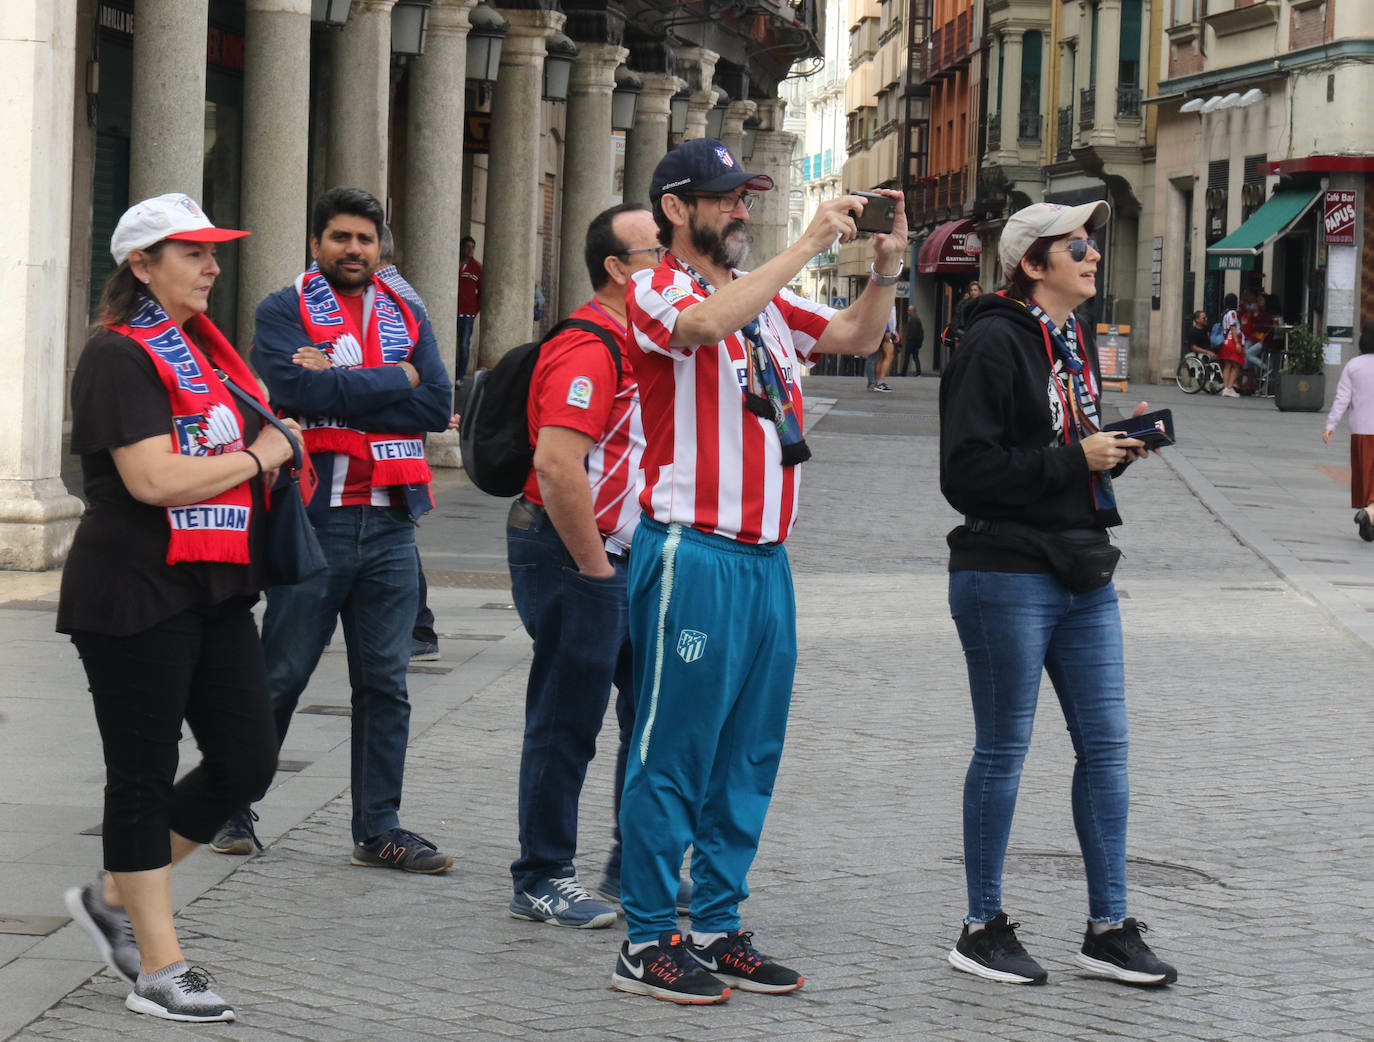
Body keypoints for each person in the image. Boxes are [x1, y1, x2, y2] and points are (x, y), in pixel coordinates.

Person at [611, 137, 908, 1004]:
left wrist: (884, 272)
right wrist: (811, 244)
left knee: (747, 755)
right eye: (726, 198)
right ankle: (644, 938)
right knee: (671, 752)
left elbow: (854, 334)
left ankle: (713, 922)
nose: (741, 210)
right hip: (692, 552)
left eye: (747, 197)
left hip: (766, 560)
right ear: (676, 208)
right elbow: (698, 326)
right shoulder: (658, 287)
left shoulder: (767, 304)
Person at [59, 194, 300, 1022]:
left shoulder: (211, 353)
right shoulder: (118, 357)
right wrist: (258, 452)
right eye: (192, 253)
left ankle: (121, 892)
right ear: (141, 265)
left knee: (247, 761)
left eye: (212, 252)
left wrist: (258, 453)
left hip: (216, 583)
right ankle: (160, 968)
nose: (212, 267)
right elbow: (153, 480)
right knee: (141, 775)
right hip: (133, 590)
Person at [939, 200, 1177, 989]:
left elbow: (1058, 447)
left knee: (1107, 747)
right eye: (1076, 246)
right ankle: (981, 926)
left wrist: (1112, 451)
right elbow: (966, 473)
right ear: (1032, 265)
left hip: (1081, 569)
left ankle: (1108, 925)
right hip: (1004, 571)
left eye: (1093, 243)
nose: (1093, 255)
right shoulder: (991, 341)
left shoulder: (1070, 339)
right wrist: (1079, 458)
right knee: (1005, 748)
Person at [215, 186, 455, 873]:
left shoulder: (407, 309)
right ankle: (231, 801)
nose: (354, 249)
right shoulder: (283, 309)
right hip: (314, 520)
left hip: (390, 523)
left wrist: (349, 378)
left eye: (366, 239)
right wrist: (394, 377)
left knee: (387, 683)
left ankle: (378, 829)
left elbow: (437, 403)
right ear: (316, 244)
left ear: (381, 248)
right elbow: (297, 393)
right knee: (281, 672)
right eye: (341, 238)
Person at [504, 203, 663, 930]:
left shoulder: (642, 337)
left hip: (621, 554)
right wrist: (596, 572)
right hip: (575, 552)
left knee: (647, 716)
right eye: (656, 251)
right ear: (616, 268)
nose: (670, 262)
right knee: (567, 719)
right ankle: (541, 876)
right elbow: (558, 465)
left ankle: (633, 866)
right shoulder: (589, 346)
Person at [1324, 319, 1374, 542]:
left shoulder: (1353, 366)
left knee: (1366, 476)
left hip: (1361, 431)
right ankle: (1370, 513)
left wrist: (1331, 425)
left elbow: (1342, 398)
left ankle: (1369, 516)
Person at [456, 235, 481, 387]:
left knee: (464, 345)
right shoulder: (454, 263)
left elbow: (483, 292)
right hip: (452, 311)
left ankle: (459, 376)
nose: (470, 250)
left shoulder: (477, 268)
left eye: (473, 247)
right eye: (467, 247)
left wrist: (474, 309)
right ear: (461, 248)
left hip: (467, 313)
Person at [1217, 292, 1246, 397]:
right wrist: (1237, 343)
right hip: (1233, 341)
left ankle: (1226, 387)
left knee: (1227, 366)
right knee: (1237, 366)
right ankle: (1230, 387)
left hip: (1226, 341)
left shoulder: (1224, 313)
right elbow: (1233, 327)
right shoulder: (1233, 313)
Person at [902, 304, 924, 376]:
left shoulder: (914, 319)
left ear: (912, 311)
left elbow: (913, 332)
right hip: (915, 341)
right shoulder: (915, 319)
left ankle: (903, 372)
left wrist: (908, 339)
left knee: (907, 357)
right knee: (915, 356)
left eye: (909, 310)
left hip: (912, 341)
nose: (907, 312)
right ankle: (918, 372)